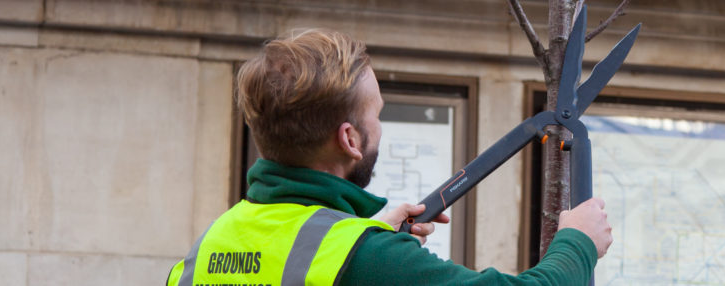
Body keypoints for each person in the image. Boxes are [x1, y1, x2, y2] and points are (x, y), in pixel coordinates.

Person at [165, 29, 613, 286]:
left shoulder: (206, 248)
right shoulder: (369, 259)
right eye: (377, 113)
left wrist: (367, 231)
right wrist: (578, 243)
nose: (380, 125)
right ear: (350, 139)